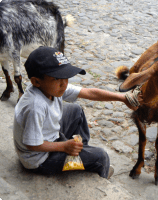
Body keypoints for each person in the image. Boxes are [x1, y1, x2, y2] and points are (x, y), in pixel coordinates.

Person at [13, 46, 138, 179]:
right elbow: (32, 145)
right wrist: (63, 146)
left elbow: (89, 92)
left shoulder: (51, 88)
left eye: (65, 77)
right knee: (101, 157)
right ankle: (98, 171)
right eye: (57, 78)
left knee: (76, 110)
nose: (64, 84)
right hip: (39, 159)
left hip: (50, 136)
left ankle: (79, 154)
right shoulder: (35, 105)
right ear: (36, 81)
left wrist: (122, 98)